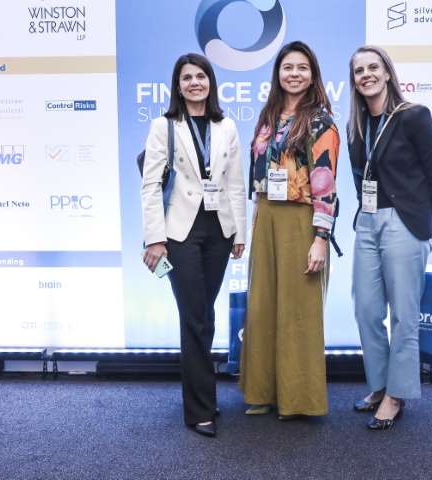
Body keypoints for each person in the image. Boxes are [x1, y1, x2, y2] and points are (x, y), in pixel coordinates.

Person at [141, 53, 246, 438]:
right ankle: (200, 410)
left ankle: (203, 395)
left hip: (219, 230)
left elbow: (235, 182)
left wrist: (240, 233)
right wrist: (155, 238)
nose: (194, 83)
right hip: (179, 232)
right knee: (194, 317)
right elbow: (151, 185)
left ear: (210, 82)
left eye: (200, 76)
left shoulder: (226, 126)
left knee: (206, 314)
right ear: (178, 85)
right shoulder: (163, 126)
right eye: (187, 78)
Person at [347, 45, 432, 430]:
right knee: (365, 309)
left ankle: (396, 394)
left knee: (404, 316)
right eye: (359, 70)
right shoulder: (357, 126)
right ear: (354, 80)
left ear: (388, 73)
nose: (367, 75)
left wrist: (429, 224)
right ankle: (379, 385)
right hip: (367, 222)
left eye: (373, 67)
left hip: (404, 223)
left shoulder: (414, 116)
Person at [240, 41, 340, 419]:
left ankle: (297, 399)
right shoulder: (268, 117)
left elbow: (326, 182)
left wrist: (321, 239)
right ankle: (262, 392)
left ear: (312, 76)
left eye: (301, 68)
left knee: (298, 311)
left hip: (301, 220)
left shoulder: (320, 122)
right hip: (266, 216)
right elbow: (259, 174)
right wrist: (254, 220)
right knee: (262, 306)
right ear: (277, 74)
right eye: (287, 67)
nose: (294, 74)